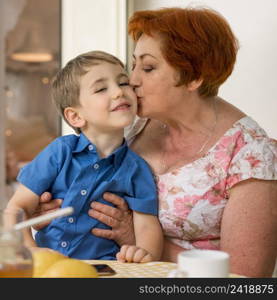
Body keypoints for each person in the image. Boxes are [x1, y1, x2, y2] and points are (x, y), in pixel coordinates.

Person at [34, 7, 277, 277]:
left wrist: (138, 240)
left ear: (194, 77)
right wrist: (51, 204)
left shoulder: (251, 154)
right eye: (134, 64)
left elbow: (247, 276)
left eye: (148, 68)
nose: (132, 80)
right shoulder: (130, 124)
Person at [6, 50, 163, 262]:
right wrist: (29, 250)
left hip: (107, 270)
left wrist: (143, 253)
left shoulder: (137, 168)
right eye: (101, 88)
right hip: (49, 267)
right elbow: (16, 208)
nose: (118, 92)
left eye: (123, 83)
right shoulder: (60, 151)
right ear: (75, 116)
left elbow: (147, 226)